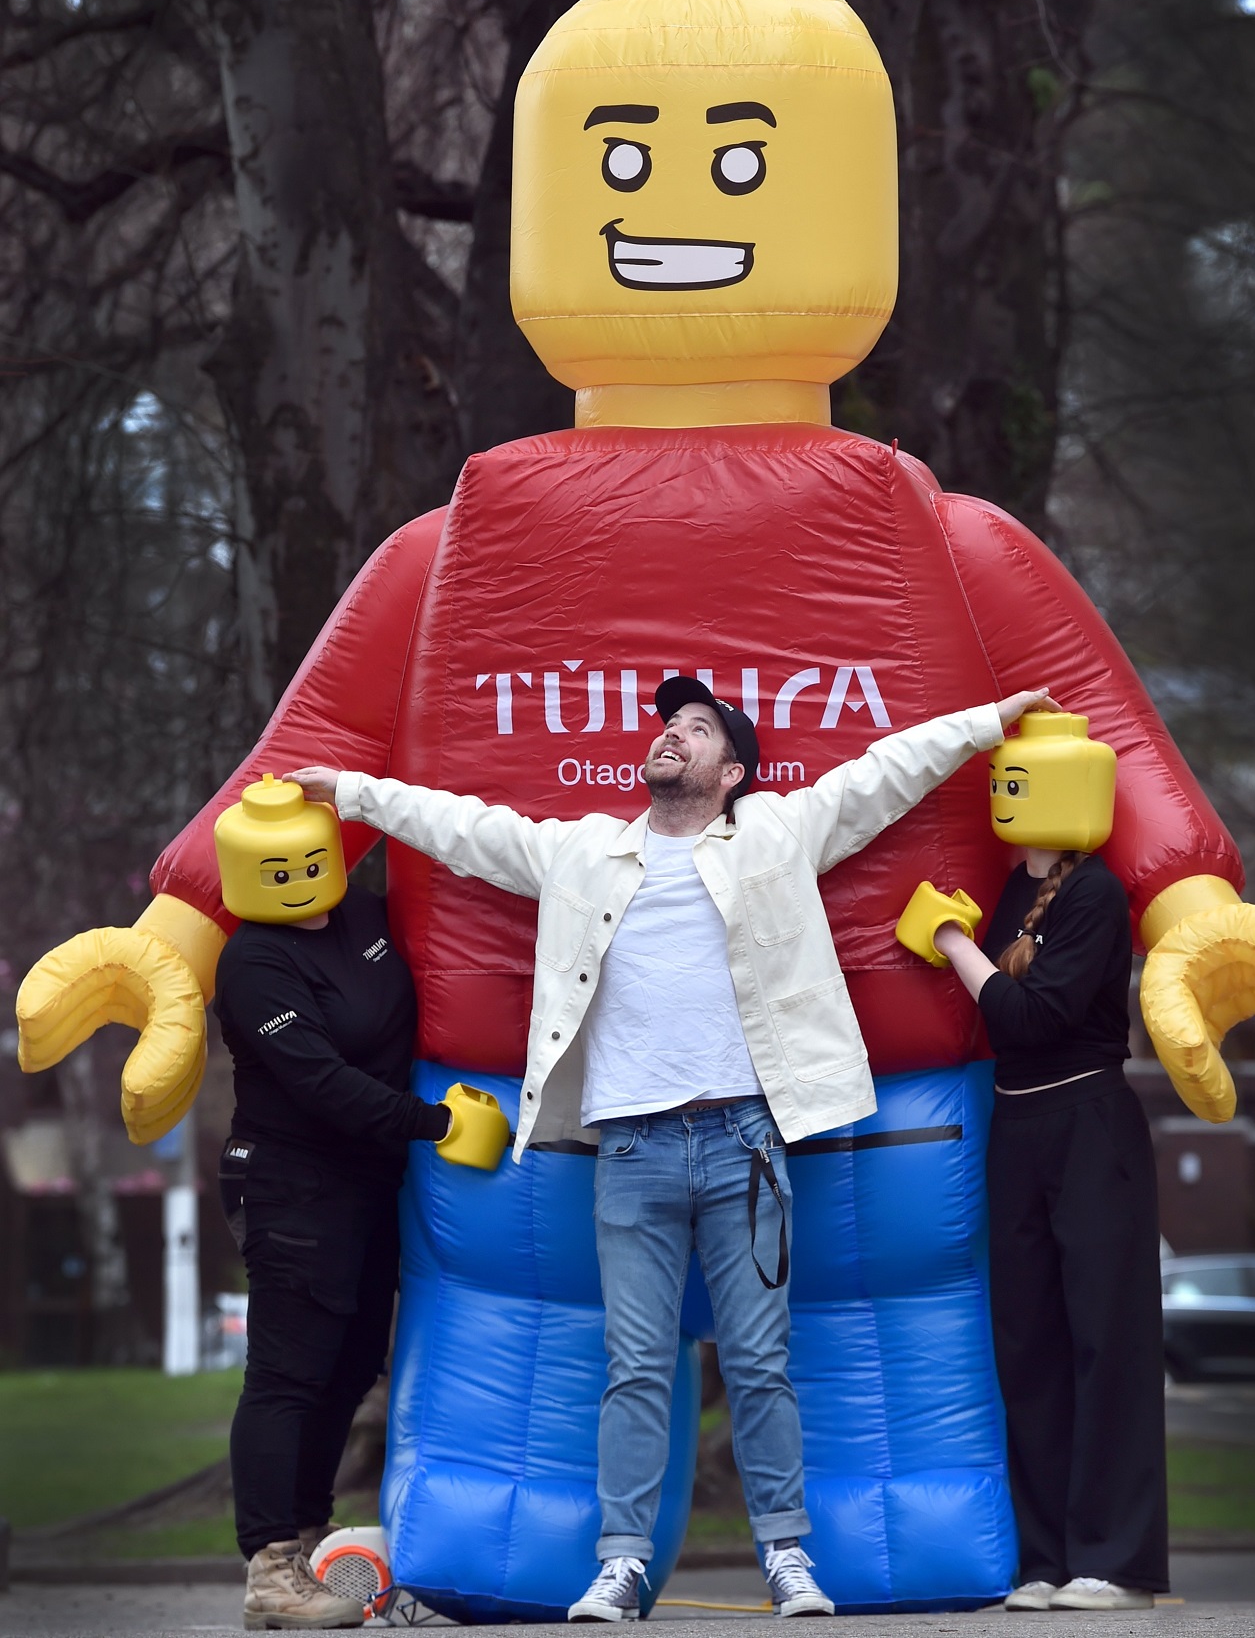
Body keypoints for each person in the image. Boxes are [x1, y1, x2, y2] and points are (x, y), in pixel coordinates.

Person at [289, 673, 1051, 1622]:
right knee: (635, 1364)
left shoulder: (779, 831)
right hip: (631, 1149)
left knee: (761, 1361)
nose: (671, 738)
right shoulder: (580, 852)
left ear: (731, 772)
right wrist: (351, 793)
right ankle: (620, 1562)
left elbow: (883, 773)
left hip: (749, 1139)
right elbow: (461, 826)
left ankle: (786, 1555)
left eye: (696, 730)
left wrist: (990, 721)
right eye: (667, 727)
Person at [211, 774, 456, 1632]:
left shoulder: (366, 913)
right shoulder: (252, 961)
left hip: (368, 1177)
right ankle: (269, 1564)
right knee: (289, 1369)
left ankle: (312, 1542)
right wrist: (433, 1122)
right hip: (288, 1177)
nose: (295, 877)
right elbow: (320, 1081)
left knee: (353, 1365)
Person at [931, 812, 1168, 1612]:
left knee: (1106, 1339)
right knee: (1028, 1346)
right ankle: (1044, 1558)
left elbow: (1030, 1018)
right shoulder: (1007, 889)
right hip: (1016, 1126)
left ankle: (1117, 1560)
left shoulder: (1096, 891)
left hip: (1088, 1122)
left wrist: (952, 944)